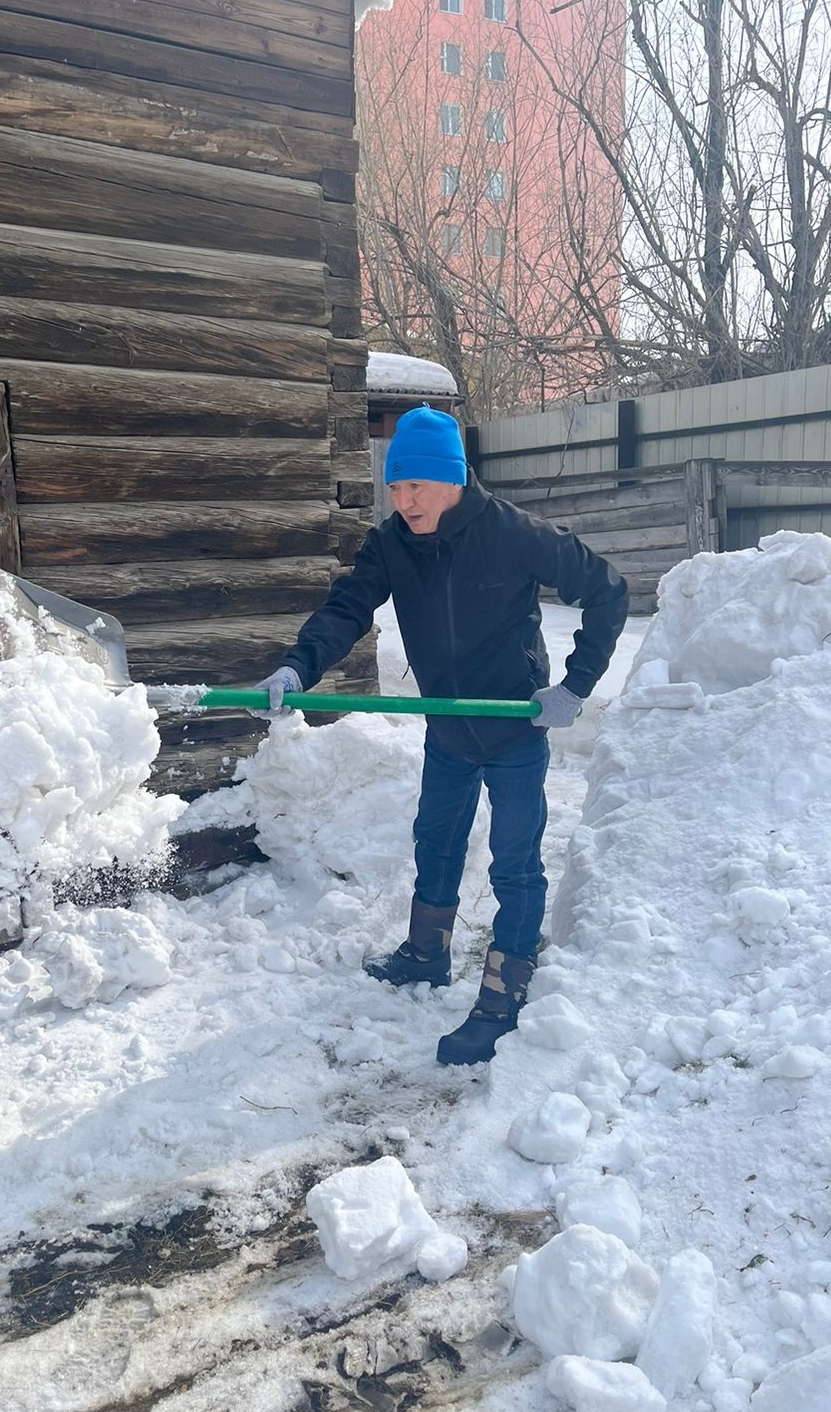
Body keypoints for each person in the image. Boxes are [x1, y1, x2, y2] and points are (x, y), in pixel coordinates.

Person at [256, 403, 629, 1067]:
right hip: (449, 728)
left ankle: (501, 995)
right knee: (436, 840)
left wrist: (576, 685)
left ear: (452, 479)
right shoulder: (391, 543)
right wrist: (297, 664)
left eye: (415, 486)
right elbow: (346, 608)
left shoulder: (513, 533)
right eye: (395, 488)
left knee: (515, 862)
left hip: (516, 728)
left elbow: (608, 589)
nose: (403, 501)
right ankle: (425, 955)